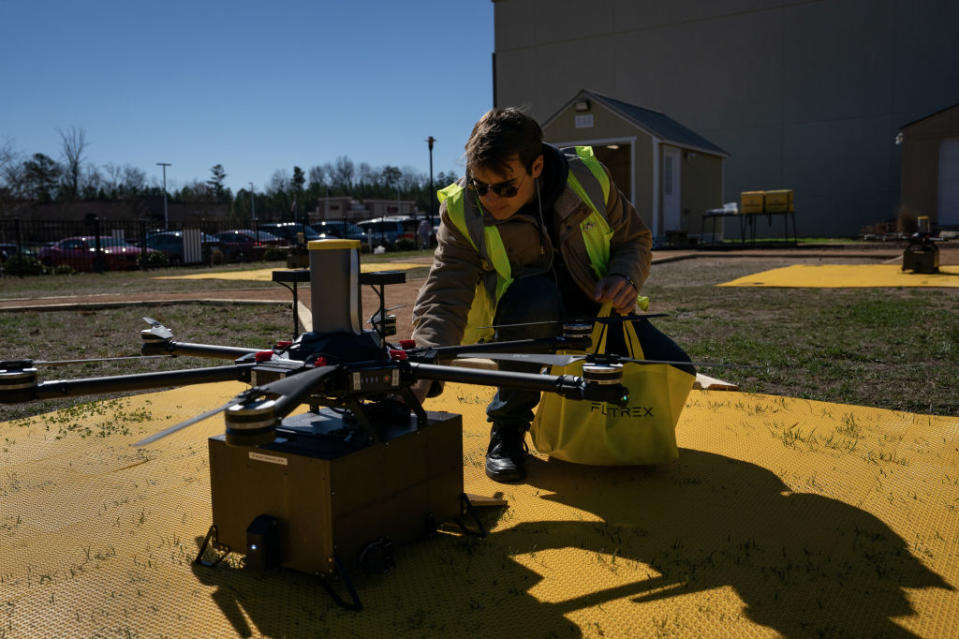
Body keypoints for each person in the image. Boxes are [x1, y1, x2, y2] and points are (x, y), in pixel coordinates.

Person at [410, 107, 690, 483]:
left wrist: (625, 277)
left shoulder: (589, 179)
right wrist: (427, 361)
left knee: (676, 369)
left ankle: (624, 432)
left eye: (506, 186)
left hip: (599, 314)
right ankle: (507, 430)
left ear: (537, 166)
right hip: (526, 323)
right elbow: (446, 291)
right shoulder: (462, 210)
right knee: (534, 299)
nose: (491, 199)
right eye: (481, 185)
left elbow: (634, 239)